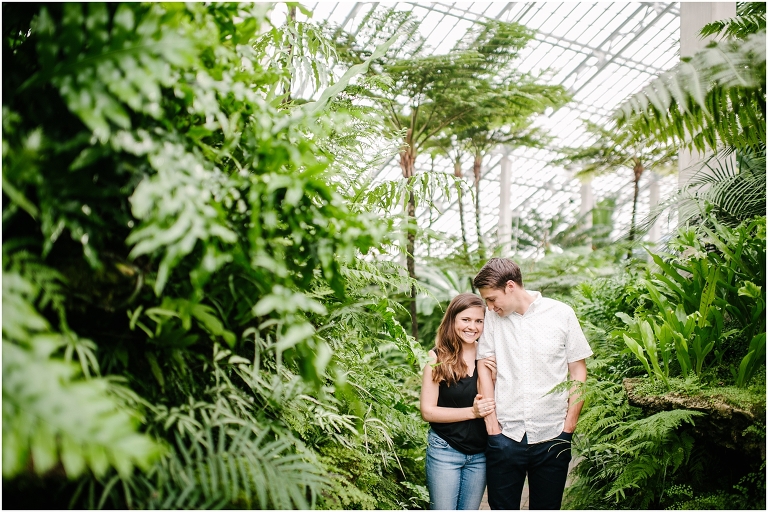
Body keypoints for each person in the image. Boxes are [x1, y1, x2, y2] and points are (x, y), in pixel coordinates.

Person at [474, 258, 593, 510]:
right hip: (505, 434)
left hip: (553, 436)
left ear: (510, 286)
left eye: (492, 299)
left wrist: (568, 426)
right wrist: (492, 426)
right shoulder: (493, 319)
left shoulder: (562, 314)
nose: (490, 306)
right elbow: (484, 365)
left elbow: (578, 370)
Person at [420, 293, 498, 510]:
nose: (472, 327)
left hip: (480, 454)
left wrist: (495, 378)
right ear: (452, 320)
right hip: (445, 450)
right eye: (466, 319)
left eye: (478, 321)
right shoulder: (436, 358)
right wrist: (472, 412)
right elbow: (427, 411)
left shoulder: (490, 356)